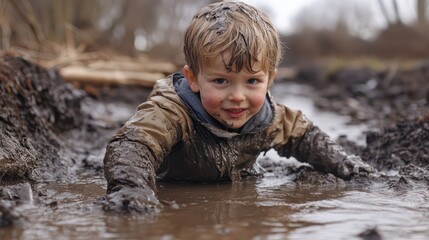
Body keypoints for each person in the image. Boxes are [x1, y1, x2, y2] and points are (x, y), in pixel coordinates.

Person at [103, 1, 374, 214]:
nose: (237, 96)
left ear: (269, 81)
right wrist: (132, 191)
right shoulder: (172, 113)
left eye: (252, 81)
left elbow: (305, 135)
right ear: (194, 79)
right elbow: (133, 145)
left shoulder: (270, 119)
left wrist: (347, 165)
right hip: (175, 181)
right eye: (221, 81)